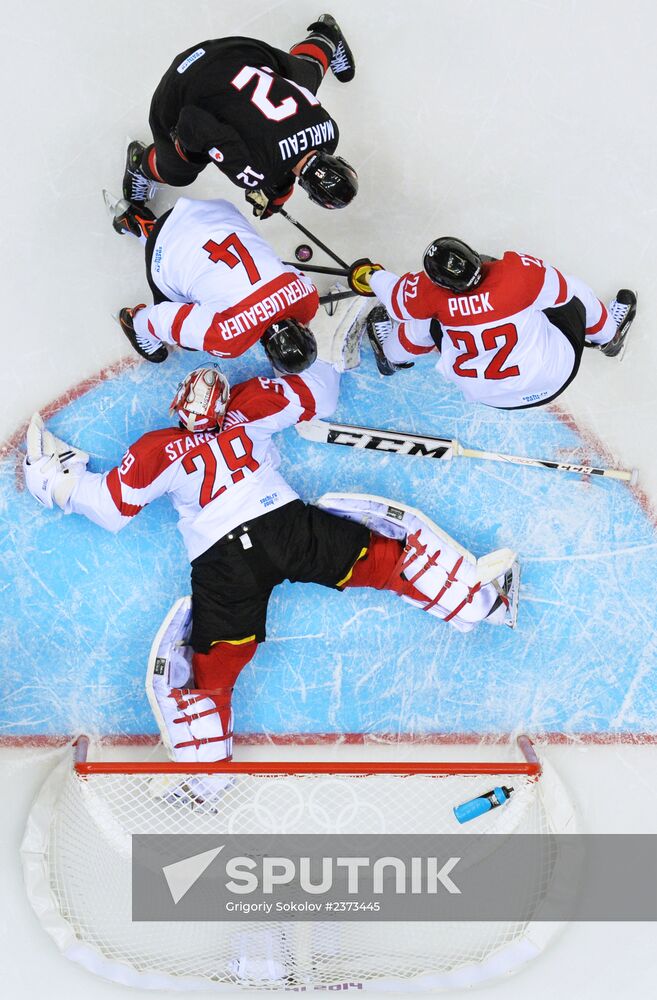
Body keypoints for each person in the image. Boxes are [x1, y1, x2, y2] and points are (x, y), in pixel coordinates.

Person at [23, 358, 518, 795]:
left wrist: (51, 478)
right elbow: (316, 392)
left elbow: (109, 507)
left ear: (179, 407)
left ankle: (207, 780)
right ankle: (486, 606)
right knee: (390, 562)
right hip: (284, 528)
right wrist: (317, 354)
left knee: (212, 677)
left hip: (223, 562)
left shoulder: (158, 449)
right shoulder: (249, 408)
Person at [120, 14, 358, 222]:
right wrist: (192, 153)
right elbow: (191, 121)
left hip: (238, 52)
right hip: (183, 82)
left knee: (304, 80)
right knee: (178, 171)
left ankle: (327, 36)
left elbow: (283, 144)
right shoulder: (257, 171)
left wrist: (277, 185)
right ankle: (140, 163)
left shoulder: (330, 131)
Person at [348, 239, 637, 409]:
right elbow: (560, 291)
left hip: (489, 396)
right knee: (574, 291)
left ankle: (390, 357)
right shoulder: (516, 273)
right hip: (553, 378)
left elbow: (395, 293)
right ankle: (609, 338)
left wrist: (369, 275)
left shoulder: (428, 292)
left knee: (420, 326)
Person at [113, 196, 323, 367]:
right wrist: (141, 323)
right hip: (166, 244)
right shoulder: (229, 341)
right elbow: (162, 317)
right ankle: (133, 320)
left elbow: (288, 274)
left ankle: (158, 228)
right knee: (191, 338)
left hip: (216, 211)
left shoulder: (309, 298)